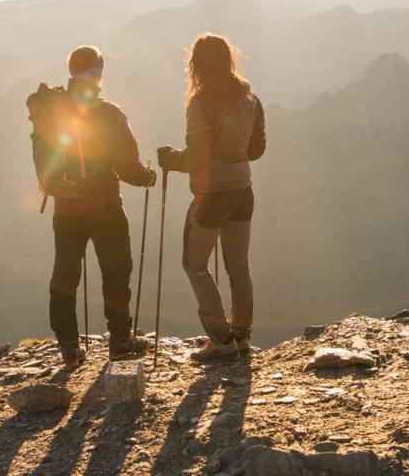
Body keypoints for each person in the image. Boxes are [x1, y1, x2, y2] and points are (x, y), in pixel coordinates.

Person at [30, 45, 156, 367]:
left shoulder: (50, 110)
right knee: (115, 271)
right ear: (98, 73)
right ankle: (119, 341)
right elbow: (127, 167)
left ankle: (69, 348)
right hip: (104, 206)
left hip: (65, 208)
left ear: (71, 71)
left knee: (65, 274)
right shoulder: (109, 113)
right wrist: (147, 177)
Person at [157, 33, 266, 363]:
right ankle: (242, 336)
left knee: (194, 264)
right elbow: (256, 150)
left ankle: (220, 340)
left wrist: (170, 159)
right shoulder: (251, 99)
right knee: (239, 266)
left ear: (197, 65)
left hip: (212, 196)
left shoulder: (201, 103)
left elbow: (197, 158)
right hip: (243, 191)